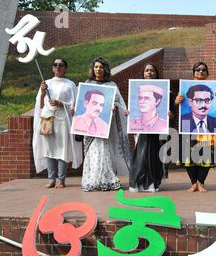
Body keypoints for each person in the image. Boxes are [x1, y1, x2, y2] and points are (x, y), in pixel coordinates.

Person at [79, 57, 130, 192]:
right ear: (93, 69)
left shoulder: (111, 85)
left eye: (101, 67)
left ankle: (106, 179)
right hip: (89, 128)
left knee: (104, 152)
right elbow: (81, 104)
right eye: (96, 67)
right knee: (92, 152)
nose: (98, 69)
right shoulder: (87, 84)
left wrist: (115, 108)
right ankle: (92, 179)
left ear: (105, 69)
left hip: (105, 127)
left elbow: (120, 104)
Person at [33, 58, 83, 189]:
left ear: (65, 68)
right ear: (52, 68)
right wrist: (43, 92)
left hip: (62, 120)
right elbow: (40, 104)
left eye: (60, 65)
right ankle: (51, 179)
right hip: (48, 119)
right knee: (48, 150)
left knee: (62, 150)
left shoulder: (70, 85)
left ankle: (61, 179)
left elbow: (75, 105)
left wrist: (62, 104)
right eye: (55, 64)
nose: (58, 67)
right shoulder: (46, 83)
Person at [175, 62, 216, 192]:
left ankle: (201, 182)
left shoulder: (214, 89)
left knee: (206, 154)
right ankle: (193, 183)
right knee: (188, 154)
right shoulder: (184, 89)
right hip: (187, 127)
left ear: (207, 73)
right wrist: (177, 101)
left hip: (208, 128)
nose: (201, 72)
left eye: (203, 70)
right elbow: (175, 110)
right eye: (198, 70)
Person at [129, 63, 171, 193]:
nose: (149, 72)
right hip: (141, 131)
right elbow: (132, 108)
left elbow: (171, 111)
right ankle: (138, 182)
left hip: (158, 131)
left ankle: (152, 182)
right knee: (140, 156)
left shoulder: (166, 90)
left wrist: (170, 113)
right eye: (147, 70)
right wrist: (128, 113)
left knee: (154, 156)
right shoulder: (136, 88)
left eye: (152, 70)